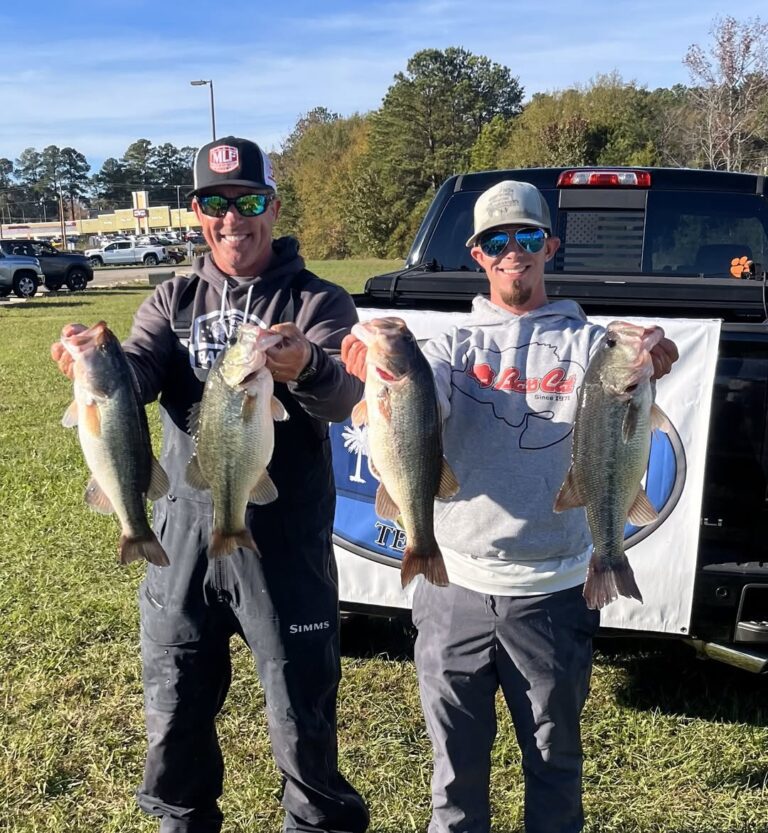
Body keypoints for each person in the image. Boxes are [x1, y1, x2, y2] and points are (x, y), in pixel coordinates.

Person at [52, 136, 369, 833]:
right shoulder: (173, 298)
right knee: (175, 712)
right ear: (197, 212)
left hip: (283, 541)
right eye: (215, 204)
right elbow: (138, 371)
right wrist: (95, 366)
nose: (233, 219)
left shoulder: (317, 299)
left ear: (273, 208)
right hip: (181, 534)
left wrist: (309, 366)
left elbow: (345, 395)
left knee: (301, 715)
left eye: (248, 202)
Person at [341, 179, 678, 833]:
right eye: (496, 240)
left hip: (554, 593)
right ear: (477, 254)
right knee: (454, 775)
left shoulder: (594, 346)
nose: (512, 250)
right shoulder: (447, 349)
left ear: (550, 245)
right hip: (452, 590)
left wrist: (652, 352)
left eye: (526, 235)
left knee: (554, 766)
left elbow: (631, 371)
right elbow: (419, 411)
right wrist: (380, 378)